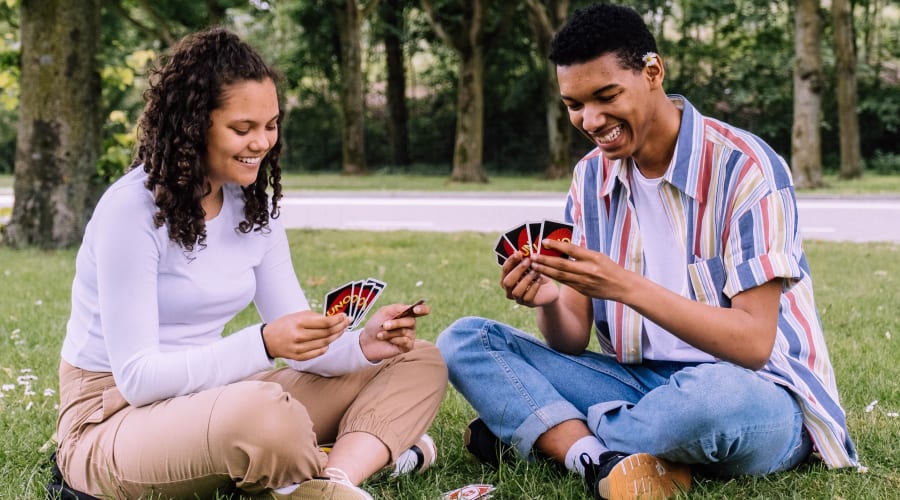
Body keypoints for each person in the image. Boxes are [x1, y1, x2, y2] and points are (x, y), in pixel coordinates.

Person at [437, 4, 859, 500]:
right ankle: (595, 458)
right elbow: (570, 340)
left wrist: (622, 285)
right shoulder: (590, 177)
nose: (591, 120)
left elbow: (752, 344)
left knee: (707, 405)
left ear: (653, 72)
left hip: (754, 393)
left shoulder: (745, 168)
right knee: (465, 341)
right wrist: (551, 299)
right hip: (637, 385)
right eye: (574, 104)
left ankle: (548, 433)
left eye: (606, 95)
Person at [54, 27, 447, 500]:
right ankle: (348, 457)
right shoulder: (130, 211)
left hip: (213, 395)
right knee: (264, 415)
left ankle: (333, 479)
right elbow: (137, 379)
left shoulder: (252, 206)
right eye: (243, 129)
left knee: (417, 359)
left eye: (271, 125)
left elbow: (299, 335)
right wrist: (262, 343)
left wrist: (363, 344)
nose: (261, 143)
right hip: (114, 417)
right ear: (194, 125)